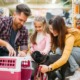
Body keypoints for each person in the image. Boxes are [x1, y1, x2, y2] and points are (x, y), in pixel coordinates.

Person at [40, 16, 80, 80]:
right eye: (51, 28)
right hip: (75, 53)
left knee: (62, 50)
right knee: (58, 50)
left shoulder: (69, 36)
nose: (52, 31)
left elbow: (64, 58)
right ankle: (68, 72)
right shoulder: (58, 35)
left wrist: (49, 68)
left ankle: (77, 71)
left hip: (78, 53)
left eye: (55, 29)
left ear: (60, 28)